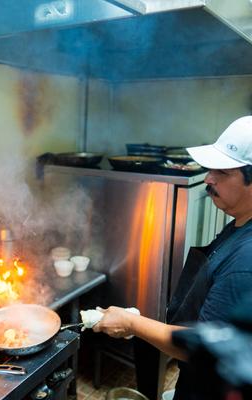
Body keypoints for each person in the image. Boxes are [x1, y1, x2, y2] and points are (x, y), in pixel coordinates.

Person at [92, 115, 252, 400]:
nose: (209, 178)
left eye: (223, 172)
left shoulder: (245, 261)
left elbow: (200, 348)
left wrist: (131, 324)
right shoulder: (240, 222)